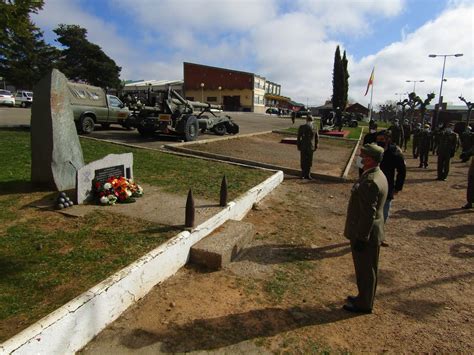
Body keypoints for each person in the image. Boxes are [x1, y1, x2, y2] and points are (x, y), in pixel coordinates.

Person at [343, 143, 388, 314]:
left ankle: (364, 304)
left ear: (369, 160)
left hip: (365, 234)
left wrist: (361, 237)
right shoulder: (377, 174)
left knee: (365, 270)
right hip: (371, 231)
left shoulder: (370, 182)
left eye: (363, 156)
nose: (360, 159)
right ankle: (364, 296)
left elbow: (368, 213)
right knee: (367, 269)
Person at [375, 130, 406, 246]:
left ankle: (379, 236)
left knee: (384, 213)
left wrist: (398, 187)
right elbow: (361, 165)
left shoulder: (395, 152)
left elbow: (402, 170)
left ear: (388, 139)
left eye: (382, 140)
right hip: (372, 186)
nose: (379, 142)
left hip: (387, 186)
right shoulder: (373, 150)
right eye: (378, 140)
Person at [297, 114, 319, 180]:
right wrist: (298, 145)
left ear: (313, 121)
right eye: (308, 120)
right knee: (303, 160)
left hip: (310, 146)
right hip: (303, 146)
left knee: (309, 160)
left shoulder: (314, 127)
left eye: (311, 120)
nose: (309, 121)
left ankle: (308, 174)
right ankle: (303, 174)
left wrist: (316, 145)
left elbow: (316, 137)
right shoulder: (302, 127)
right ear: (306, 120)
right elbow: (298, 137)